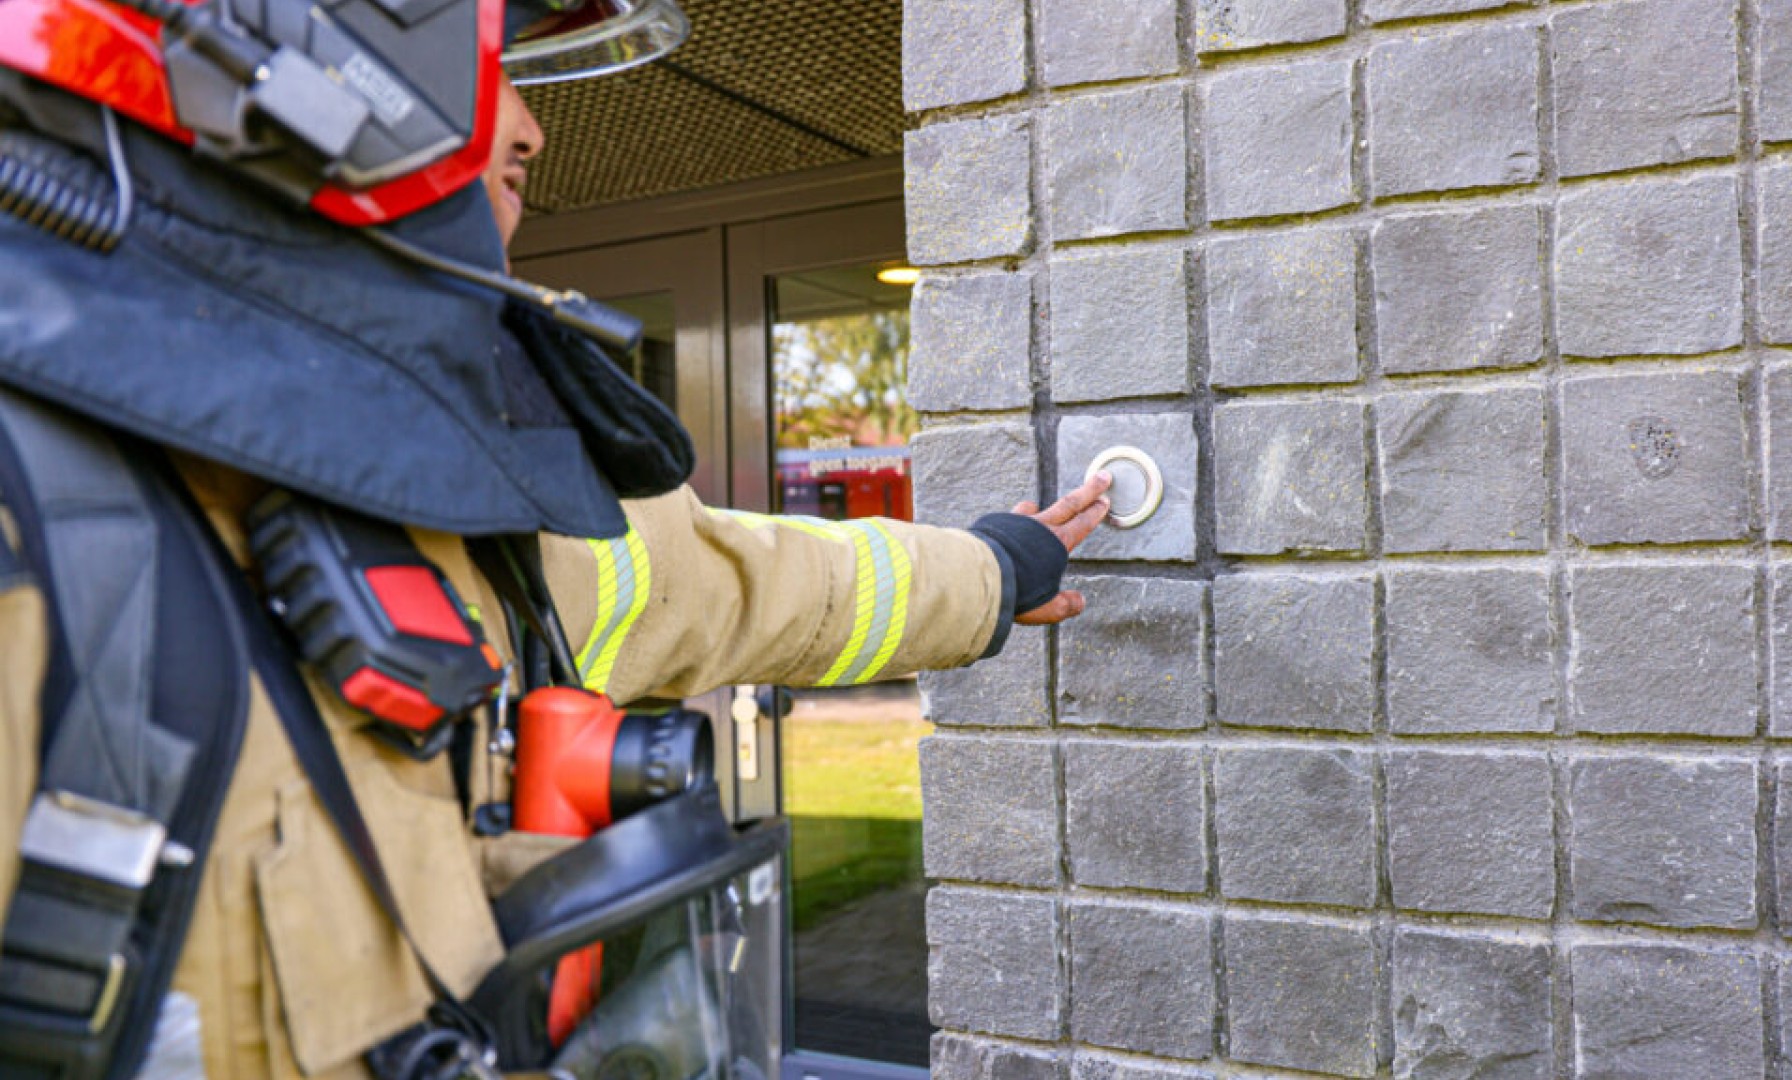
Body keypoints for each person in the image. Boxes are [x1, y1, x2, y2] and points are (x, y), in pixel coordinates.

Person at [0, 0, 1111, 1075]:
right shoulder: (36, 512)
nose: (530, 129)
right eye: (487, 63)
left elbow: (753, 582)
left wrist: (996, 569)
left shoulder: (478, 501)